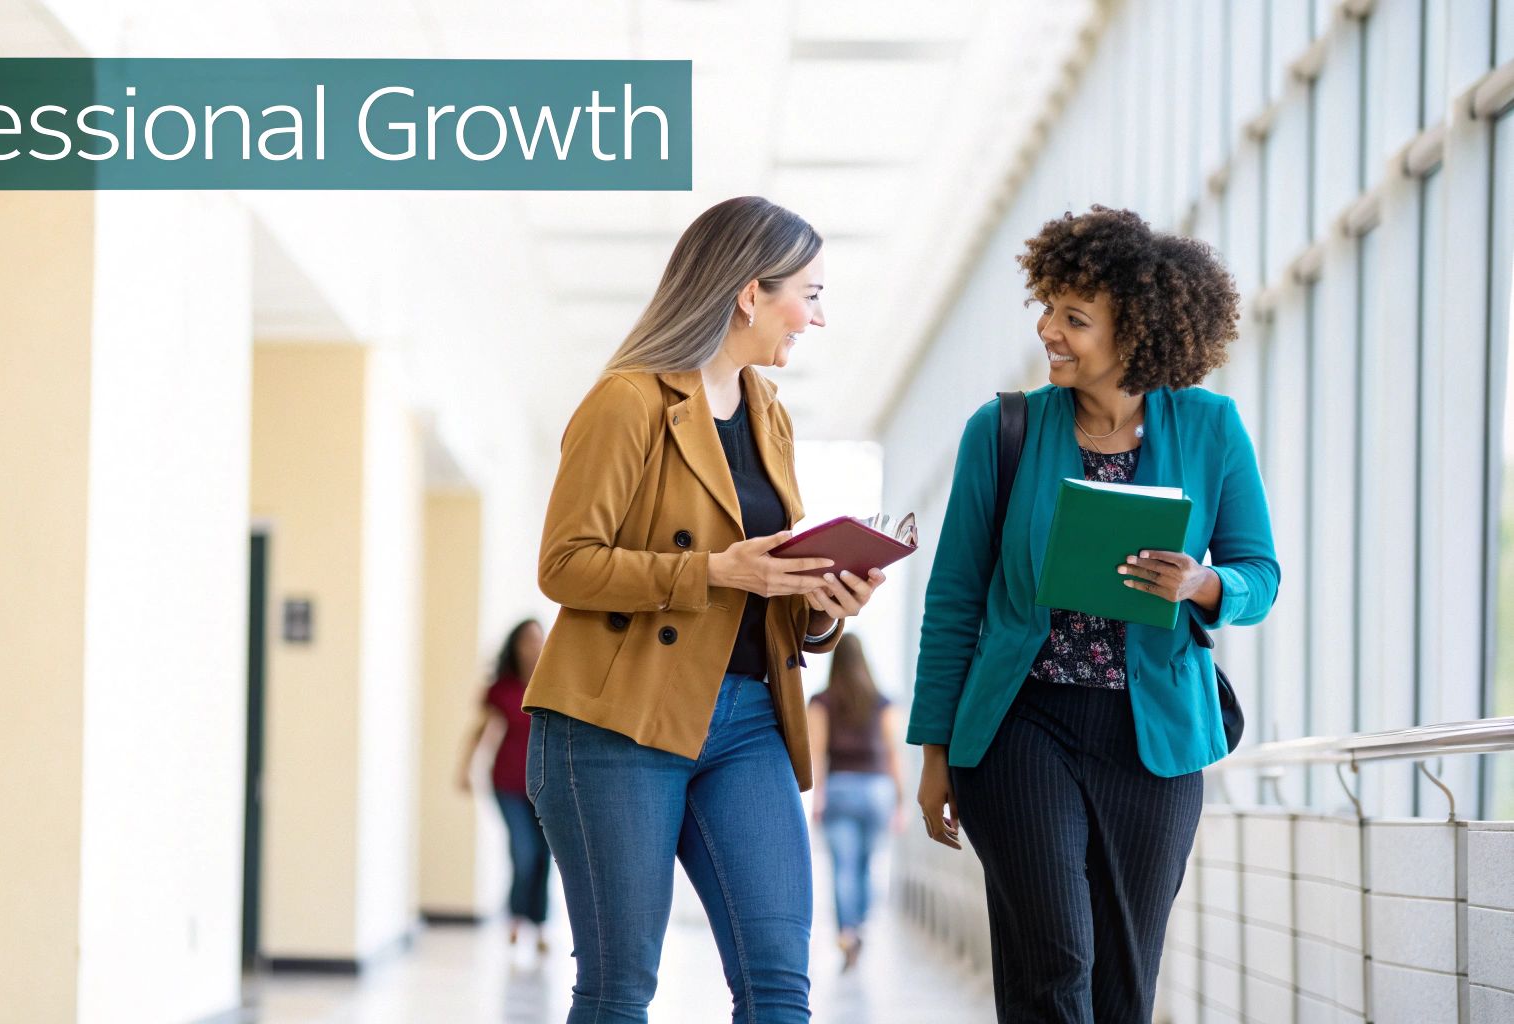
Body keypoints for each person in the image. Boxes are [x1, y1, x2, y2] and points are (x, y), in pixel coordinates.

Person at [908, 205, 1279, 1023]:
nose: (1049, 331)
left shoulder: (1211, 428)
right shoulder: (1002, 431)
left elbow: (1261, 573)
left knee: (1122, 980)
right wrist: (934, 750)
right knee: (1055, 960)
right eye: (1048, 309)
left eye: (1075, 318)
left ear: (1136, 331)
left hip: (1154, 739)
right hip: (1020, 724)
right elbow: (954, 603)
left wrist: (1202, 586)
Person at [523, 195, 885, 1024]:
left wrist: (828, 604)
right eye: (812, 293)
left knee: (779, 987)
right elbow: (566, 565)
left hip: (749, 718)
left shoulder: (771, 416)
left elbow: (764, 587)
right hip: (618, 722)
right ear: (749, 292)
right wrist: (715, 570)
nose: (818, 318)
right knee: (618, 990)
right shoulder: (627, 400)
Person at [805, 633, 907, 973]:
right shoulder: (881, 701)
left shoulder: (821, 701)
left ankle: (847, 932)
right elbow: (894, 754)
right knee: (866, 864)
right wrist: (901, 801)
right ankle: (860, 926)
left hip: (840, 787)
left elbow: (816, 752)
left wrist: (817, 798)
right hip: (878, 790)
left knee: (842, 867)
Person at [456, 618, 553, 951]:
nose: (534, 647)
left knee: (544, 855)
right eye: (527, 640)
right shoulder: (502, 689)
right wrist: (465, 769)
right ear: (515, 645)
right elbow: (480, 732)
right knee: (523, 852)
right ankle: (515, 918)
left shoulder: (554, 685)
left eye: (539, 640)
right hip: (508, 784)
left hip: (546, 786)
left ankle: (539, 926)